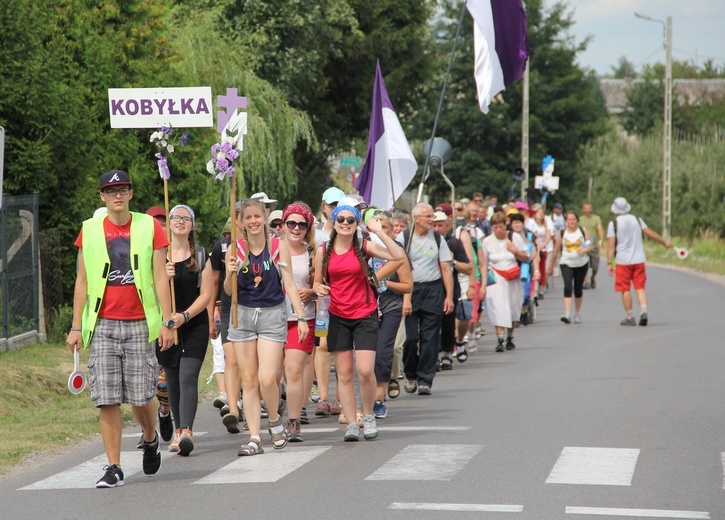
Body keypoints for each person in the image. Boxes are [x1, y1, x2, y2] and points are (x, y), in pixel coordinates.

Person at [66, 170, 172, 488]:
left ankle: (150, 437)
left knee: (141, 397)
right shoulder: (90, 230)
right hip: (102, 324)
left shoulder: (148, 225)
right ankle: (113, 466)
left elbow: (158, 277)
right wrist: (75, 327)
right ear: (102, 196)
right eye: (110, 191)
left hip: (141, 322)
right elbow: (82, 280)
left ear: (130, 193)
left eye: (122, 189)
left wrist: (168, 321)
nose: (117, 195)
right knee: (106, 397)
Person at [313, 203, 405, 441]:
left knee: (364, 371)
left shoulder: (365, 246)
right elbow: (315, 282)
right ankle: (352, 422)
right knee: (344, 373)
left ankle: (369, 416)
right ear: (333, 223)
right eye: (340, 219)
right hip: (337, 316)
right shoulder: (324, 250)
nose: (345, 223)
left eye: (350, 220)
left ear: (356, 225)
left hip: (364, 314)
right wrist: (319, 287)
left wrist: (380, 231)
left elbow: (398, 256)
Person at [225, 199, 309, 455]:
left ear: (264, 218)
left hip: (272, 315)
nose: (252, 221)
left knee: (266, 378)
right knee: (248, 380)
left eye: (257, 216)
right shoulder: (234, 248)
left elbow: (290, 284)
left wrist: (302, 317)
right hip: (242, 315)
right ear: (240, 222)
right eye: (247, 217)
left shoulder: (277, 246)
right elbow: (229, 291)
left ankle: (274, 419)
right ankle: (254, 437)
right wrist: (231, 272)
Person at [158, 204, 213, 456]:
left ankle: (185, 432)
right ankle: (178, 428)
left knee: (187, 376)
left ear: (192, 226)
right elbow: (151, 292)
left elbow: (207, 295)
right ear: (168, 223)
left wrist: (185, 316)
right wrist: (160, 272)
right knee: (172, 379)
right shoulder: (159, 256)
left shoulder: (201, 256)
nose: (180, 221)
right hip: (166, 327)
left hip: (194, 324)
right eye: (175, 217)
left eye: (186, 218)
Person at [399, 203, 454, 396]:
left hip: (433, 290)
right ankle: (410, 374)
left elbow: (446, 269)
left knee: (430, 338)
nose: (432, 219)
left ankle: (425, 379)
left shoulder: (438, 239)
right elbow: (397, 266)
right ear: (416, 219)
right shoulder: (404, 238)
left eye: (433, 216)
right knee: (410, 338)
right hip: (410, 292)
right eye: (428, 216)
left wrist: (448, 296)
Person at [366, 209, 412, 419]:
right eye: (374, 227)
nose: (379, 232)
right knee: (366, 356)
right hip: (365, 309)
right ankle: (361, 400)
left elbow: (407, 286)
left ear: (392, 230)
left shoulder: (397, 251)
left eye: (384, 228)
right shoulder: (362, 248)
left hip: (390, 307)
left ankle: (378, 399)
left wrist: (383, 282)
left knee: (384, 352)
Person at [280, 202, 317, 442]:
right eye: (290, 223)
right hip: (271, 318)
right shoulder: (272, 249)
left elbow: (326, 282)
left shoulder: (314, 252)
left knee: (293, 371)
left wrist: (312, 291)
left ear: (308, 227)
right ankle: (274, 418)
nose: (296, 228)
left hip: (302, 318)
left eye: (301, 224)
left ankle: (293, 422)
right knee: (271, 376)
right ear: (282, 225)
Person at [606, 197, 672, 326]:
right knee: (640, 287)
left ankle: (630, 316)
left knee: (625, 289)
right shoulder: (637, 219)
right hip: (639, 259)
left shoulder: (613, 223)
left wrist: (609, 262)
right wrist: (664, 242)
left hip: (623, 261)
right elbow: (650, 233)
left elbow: (611, 245)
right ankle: (643, 311)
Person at [142, 206, 174, 445]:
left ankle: (165, 411)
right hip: (143, 319)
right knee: (145, 381)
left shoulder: (178, 251)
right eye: (155, 223)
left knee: (163, 380)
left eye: (163, 223)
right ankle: (148, 430)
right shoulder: (141, 250)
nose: (159, 228)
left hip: (166, 321)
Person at [482, 211, 530, 352]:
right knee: (498, 307)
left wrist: (514, 250)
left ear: (505, 225)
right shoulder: (487, 241)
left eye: (501, 227)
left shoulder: (514, 237)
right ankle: (500, 338)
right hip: (497, 277)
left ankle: (510, 336)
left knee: (513, 306)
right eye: (495, 227)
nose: (498, 230)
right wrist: (483, 284)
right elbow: (484, 263)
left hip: (513, 277)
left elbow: (525, 257)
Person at [433, 204, 474, 367]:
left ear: (446, 226)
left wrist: (453, 261)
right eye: (434, 225)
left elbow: (469, 267)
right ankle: (433, 354)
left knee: (448, 324)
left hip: (450, 289)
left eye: (440, 225)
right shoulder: (424, 242)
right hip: (429, 290)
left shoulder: (454, 242)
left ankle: (446, 353)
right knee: (430, 324)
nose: (437, 229)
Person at [549, 211, 591, 324]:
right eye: (569, 220)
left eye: (573, 219)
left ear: (577, 220)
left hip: (581, 263)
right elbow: (556, 250)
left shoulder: (583, 231)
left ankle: (577, 313)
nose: (571, 222)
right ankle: (567, 313)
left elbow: (590, 245)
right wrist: (551, 266)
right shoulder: (562, 234)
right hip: (566, 263)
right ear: (566, 221)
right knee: (567, 287)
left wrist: (585, 249)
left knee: (578, 288)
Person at [579, 201, 604, 289]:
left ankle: (593, 277)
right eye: (586, 209)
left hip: (594, 245)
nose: (588, 210)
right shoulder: (580, 219)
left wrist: (601, 240)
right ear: (583, 210)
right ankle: (586, 282)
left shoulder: (596, 218)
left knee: (595, 266)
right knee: (584, 264)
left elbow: (600, 229)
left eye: (589, 208)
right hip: (584, 246)